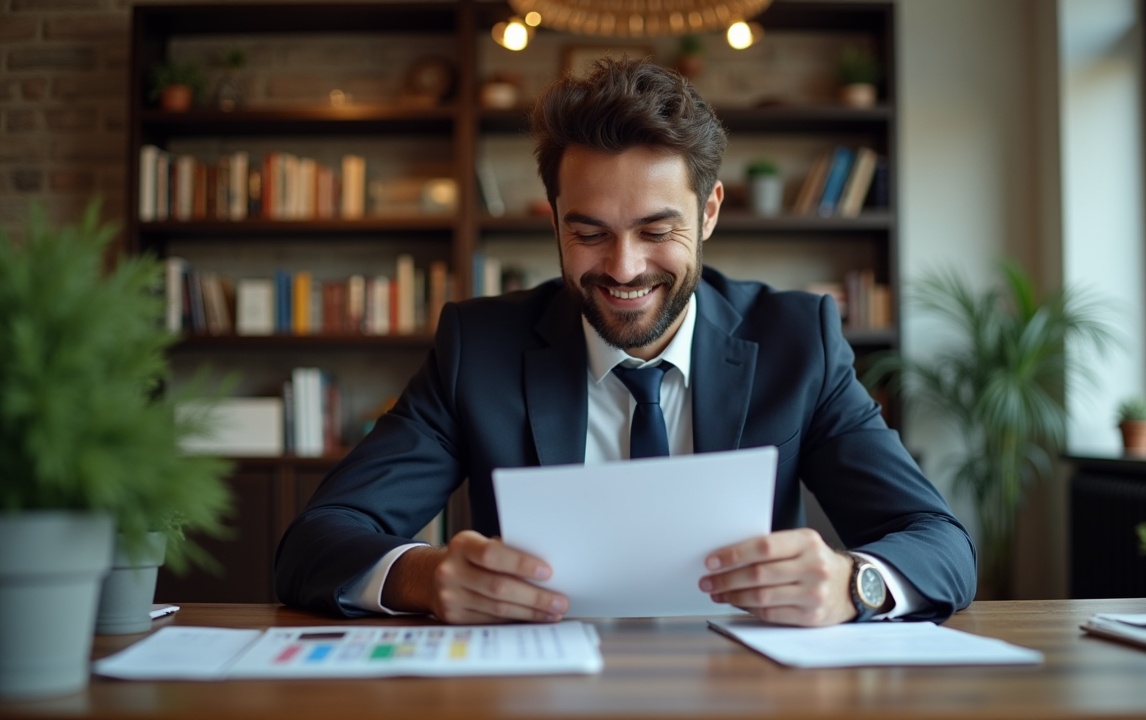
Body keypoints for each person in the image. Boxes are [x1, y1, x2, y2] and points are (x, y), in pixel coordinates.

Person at [275, 58, 976, 627]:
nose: (622, 268)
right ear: (553, 221)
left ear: (708, 214)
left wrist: (854, 585)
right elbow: (315, 541)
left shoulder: (799, 342)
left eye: (655, 230)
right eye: (589, 233)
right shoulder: (478, 347)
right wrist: (426, 579)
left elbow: (940, 541)